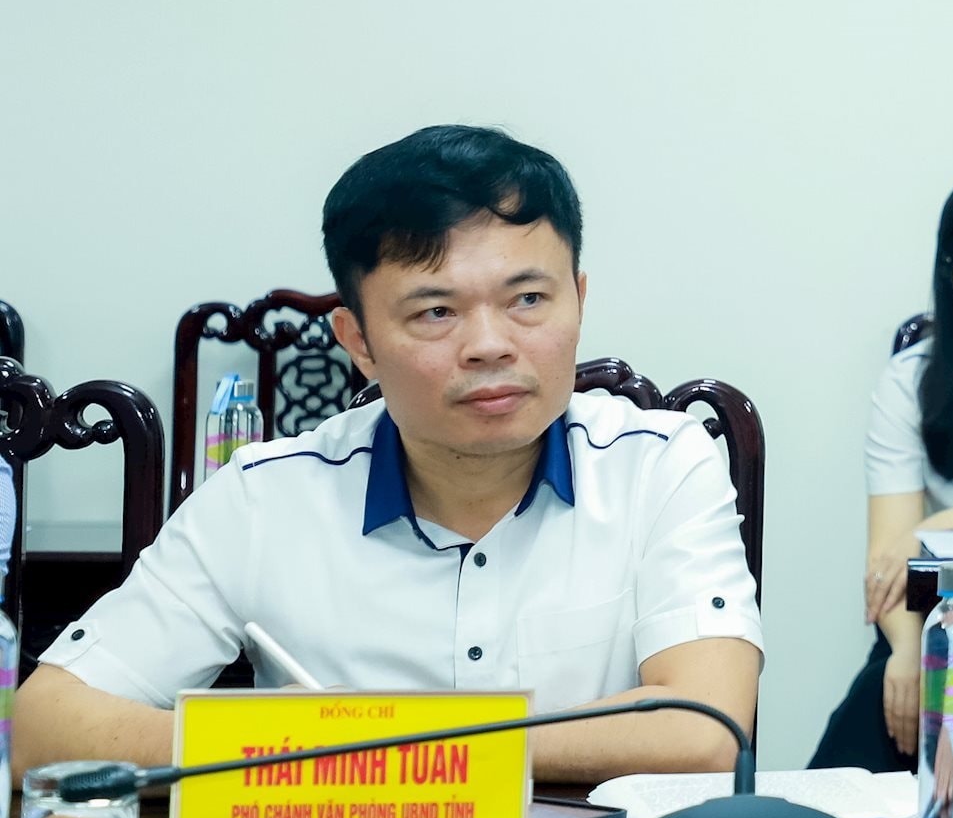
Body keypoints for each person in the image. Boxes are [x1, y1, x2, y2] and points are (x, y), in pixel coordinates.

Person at [16, 125, 762, 779]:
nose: (491, 344)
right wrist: (313, 744)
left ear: (579, 298)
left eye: (528, 299)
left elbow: (705, 731)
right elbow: (43, 727)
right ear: (359, 341)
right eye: (436, 311)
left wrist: (369, 741)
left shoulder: (661, 466)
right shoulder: (265, 499)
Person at [810, 164, 953, 770]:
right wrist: (907, 650)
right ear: (950, 276)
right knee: (869, 721)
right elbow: (889, 559)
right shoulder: (912, 381)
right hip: (947, 619)